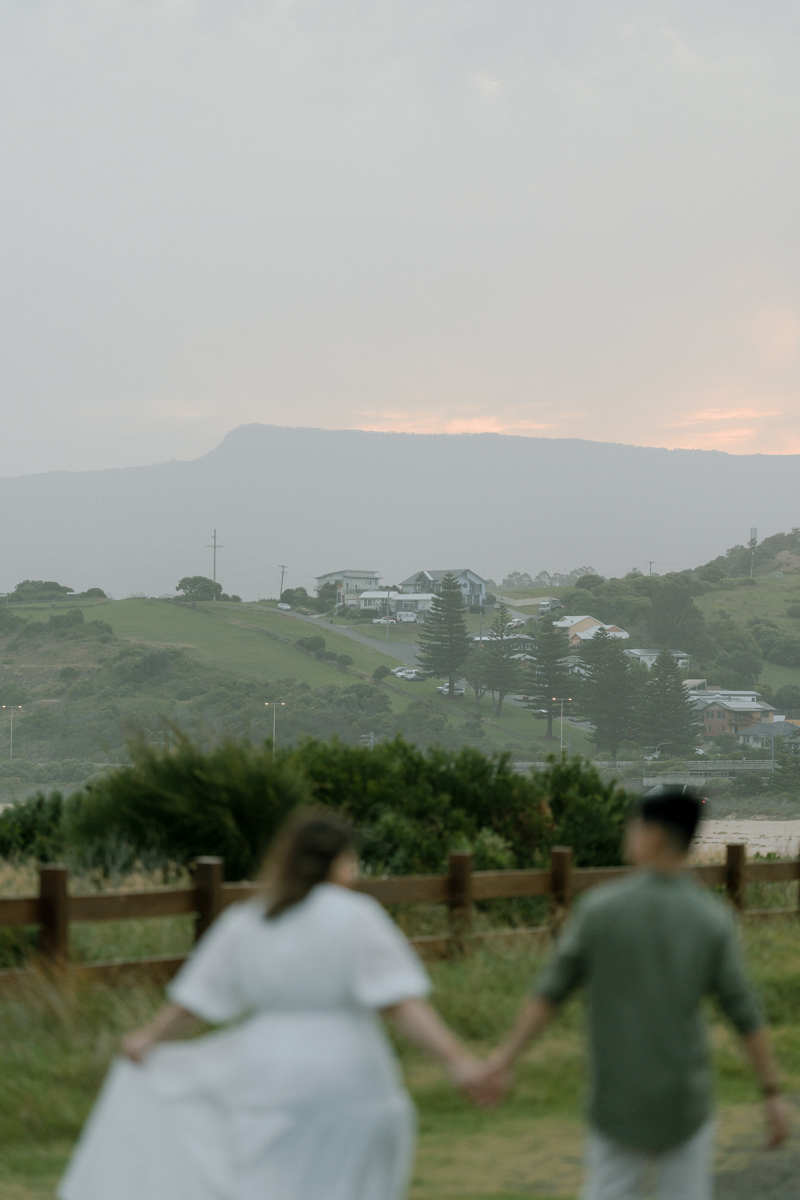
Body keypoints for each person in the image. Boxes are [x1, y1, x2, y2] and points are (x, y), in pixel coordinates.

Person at [59, 809, 491, 1200]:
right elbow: (400, 1004)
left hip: (264, 1074)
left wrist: (148, 1039)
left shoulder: (248, 921)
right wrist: (457, 1061)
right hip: (349, 1073)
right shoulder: (355, 915)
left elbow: (195, 1002)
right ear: (340, 861)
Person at [479, 787, 790, 1200]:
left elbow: (549, 994)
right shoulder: (712, 919)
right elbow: (744, 1013)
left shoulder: (600, 910)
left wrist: (504, 1058)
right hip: (685, 1100)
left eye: (634, 826)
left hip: (616, 1098)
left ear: (653, 836)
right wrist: (771, 1093)